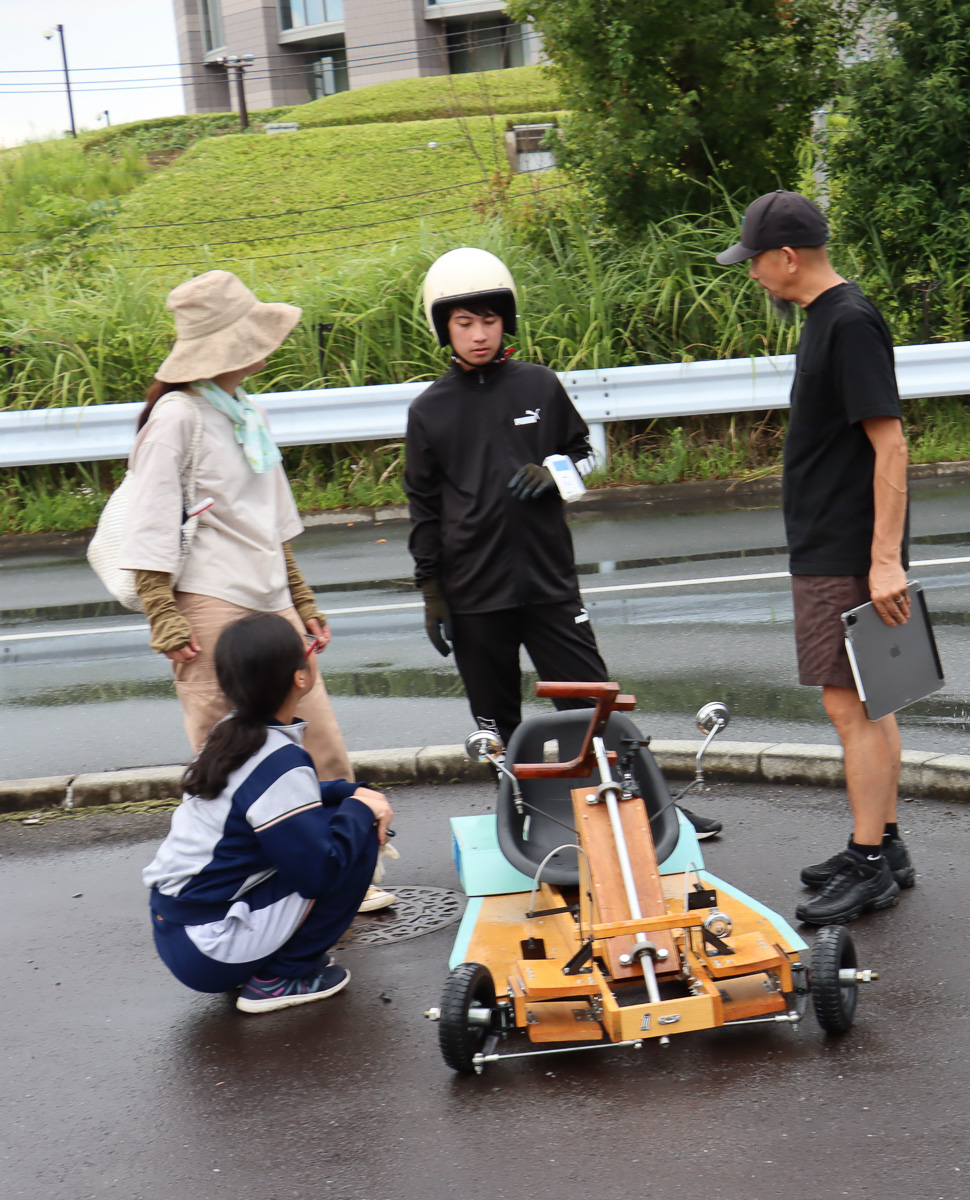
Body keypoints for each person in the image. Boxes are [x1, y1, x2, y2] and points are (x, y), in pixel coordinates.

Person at [402, 248, 722, 837]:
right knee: (497, 725)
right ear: (442, 326)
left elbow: (582, 454)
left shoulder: (538, 386)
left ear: (507, 322)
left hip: (548, 582)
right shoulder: (429, 412)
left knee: (593, 705)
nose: (479, 335)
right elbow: (424, 509)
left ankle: (651, 808)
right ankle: (522, 820)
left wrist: (555, 474)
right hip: (474, 594)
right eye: (464, 323)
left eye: (489, 321)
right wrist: (431, 590)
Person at [117, 269, 394, 914]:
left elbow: (273, 525)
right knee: (235, 756)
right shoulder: (176, 417)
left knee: (319, 740)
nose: (265, 342)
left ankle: (345, 871)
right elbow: (150, 522)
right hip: (211, 608)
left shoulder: (249, 412)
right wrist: (163, 614)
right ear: (223, 346)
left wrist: (301, 601)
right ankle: (258, 890)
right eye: (250, 333)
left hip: (269, 601)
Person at [718, 190, 914, 924]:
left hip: (847, 551)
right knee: (872, 700)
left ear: (788, 256)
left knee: (849, 705)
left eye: (755, 261)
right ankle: (884, 845)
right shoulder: (826, 320)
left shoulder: (849, 323)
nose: (752, 274)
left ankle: (867, 863)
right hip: (840, 545)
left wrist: (884, 559)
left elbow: (890, 442)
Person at [144, 612, 393, 1013]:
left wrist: (350, 792)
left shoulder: (232, 734)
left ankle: (265, 962)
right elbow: (320, 873)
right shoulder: (280, 760)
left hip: (180, 931)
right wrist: (361, 812)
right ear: (298, 678)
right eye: (308, 649)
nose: (314, 655)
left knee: (338, 818)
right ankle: (283, 978)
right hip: (210, 947)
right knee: (355, 839)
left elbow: (281, 804)